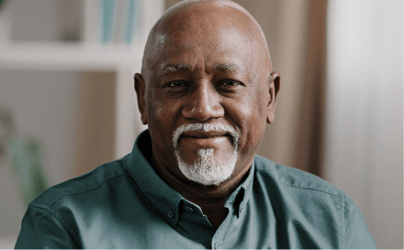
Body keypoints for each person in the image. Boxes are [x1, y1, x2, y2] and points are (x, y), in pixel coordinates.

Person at [15, 0, 377, 249]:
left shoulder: (332, 223)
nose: (203, 108)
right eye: (177, 84)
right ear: (143, 99)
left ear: (270, 97)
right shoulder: (63, 224)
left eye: (228, 84)